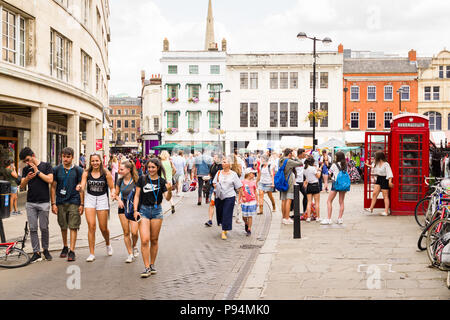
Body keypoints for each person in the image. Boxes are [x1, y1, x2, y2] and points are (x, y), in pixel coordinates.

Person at [133, 158, 172, 278]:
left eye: (153, 167)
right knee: (145, 239)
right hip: (143, 210)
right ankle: (146, 267)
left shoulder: (161, 181)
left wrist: (169, 190)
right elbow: (137, 195)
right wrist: (135, 210)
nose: (150, 169)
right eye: (149, 167)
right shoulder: (142, 179)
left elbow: (168, 198)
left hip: (157, 211)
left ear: (158, 168)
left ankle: (152, 264)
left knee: (154, 240)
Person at [19, 147, 54, 263]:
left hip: (44, 202)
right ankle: (36, 252)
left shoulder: (46, 165)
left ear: (33, 155)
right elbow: (22, 186)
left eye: (28, 160)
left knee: (44, 228)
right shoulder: (25, 170)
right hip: (31, 203)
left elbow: (50, 180)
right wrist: (27, 178)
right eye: (25, 162)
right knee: (33, 228)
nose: (27, 163)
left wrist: (38, 172)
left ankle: (46, 250)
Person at [50, 147, 84, 261]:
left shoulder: (78, 170)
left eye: (68, 157)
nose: (65, 159)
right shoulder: (56, 169)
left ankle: (72, 250)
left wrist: (82, 204)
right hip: (60, 201)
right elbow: (53, 187)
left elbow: (81, 188)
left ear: (72, 157)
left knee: (73, 226)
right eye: (64, 156)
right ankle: (65, 246)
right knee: (63, 226)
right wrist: (53, 203)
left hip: (74, 200)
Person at [80, 154, 115, 262]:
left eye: (97, 161)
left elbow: (112, 187)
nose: (95, 163)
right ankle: (92, 253)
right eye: (93, 161)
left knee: (103, 227)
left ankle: (108, 244)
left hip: (102, 199)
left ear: (100, 161)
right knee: (91, 226)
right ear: (90, 162)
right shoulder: (86, 173)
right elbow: (82, 186)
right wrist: (80, 187)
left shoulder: (106, 173)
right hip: (90, 198)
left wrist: (113, 194)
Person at [114, 160, 140, 263]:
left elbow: (139, 194)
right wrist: (118, 199)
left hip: (134, 207)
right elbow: (116, 194)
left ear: (128, 170)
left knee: (134, 232)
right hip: (123, 207)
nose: (119, 171)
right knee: (126, 232)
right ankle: (130, 254)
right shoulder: (119, 181)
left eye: (121, 169)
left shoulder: (136, 180)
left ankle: (134, 246)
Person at [212, 156, 243, 240]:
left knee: (226, 213)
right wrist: (217, 186)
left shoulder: (233, 174)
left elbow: (238, 186)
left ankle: (224, 230)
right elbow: (214, 183)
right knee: (220, 212)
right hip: (219, 196)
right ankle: (223, 225)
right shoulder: (218, 172)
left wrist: (242, 196)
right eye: (223, 162)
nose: (223, 163)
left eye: (225, 162)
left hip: (230, 196)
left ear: (229, 164)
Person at [322, 151, 349, 225]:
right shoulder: (345, 165)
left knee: (329, 201)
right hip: (343, 184)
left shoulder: (334, 165)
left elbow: (329, 173)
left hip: (335, 183)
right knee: (341, 202)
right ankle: (340, 219)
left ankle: (329, 219)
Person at [364, 151, 393, 216]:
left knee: (385, 196)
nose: (374, 157)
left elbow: (389, 173)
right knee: (374, 193)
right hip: (379, 179)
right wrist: (367, 164)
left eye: (375, 156)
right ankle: (371, 208)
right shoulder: (376, 163)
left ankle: (386, 211)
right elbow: (372, 166)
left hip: (385, 179)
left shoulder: (386, 164)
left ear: (379, 157)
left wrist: (390, 182)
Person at [278, 149, 302, 225]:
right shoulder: (288, 161)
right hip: (289, 182)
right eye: (292, 154)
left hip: (282, 181)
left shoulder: (280, 160)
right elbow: (300, 163)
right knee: (289, 200)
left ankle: (283, 217)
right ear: (289, 154)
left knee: (283, 200)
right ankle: (287, 218)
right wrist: (296, 156)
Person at [239, 168, 259, 236]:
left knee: (250, 215)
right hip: (244, 201)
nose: (254, 175)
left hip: (252, 201)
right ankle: (246, 223)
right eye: (252, 173)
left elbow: (255, 192)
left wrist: (257, 200)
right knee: (244, 216)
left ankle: (249, 229)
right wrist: (239, 199)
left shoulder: (253, 182)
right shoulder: (242, 182)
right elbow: (240, 191)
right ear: (248, 174)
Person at [303, 156, 323, 222]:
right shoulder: (313, 168)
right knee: (317, 202)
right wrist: (319, 171)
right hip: (315, 185)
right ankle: (318, 217)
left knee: (309, 202)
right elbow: (318, 176)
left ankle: (308, 217)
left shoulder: (305, 169)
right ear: (312, 162)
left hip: (309, 186)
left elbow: (307, 178)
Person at [205, 155, 222, 227]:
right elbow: (210, 174)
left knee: (220, 205)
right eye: (214, 157)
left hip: (221, 188)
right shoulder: (212, 165)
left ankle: (221, 220)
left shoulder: (222, 166)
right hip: (213, 187)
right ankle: (210, 220)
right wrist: (208, 177)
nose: (214, 158)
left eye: (216, 157)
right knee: (211, 204)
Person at [295, 149, 308, 217]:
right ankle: (295, 212)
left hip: (301, 181)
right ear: (300, 154)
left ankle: (304, 211)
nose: (305, 155)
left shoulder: (303, 160)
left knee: (306, 195)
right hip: (296, 182)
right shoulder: (295, 160)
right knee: (295, 198)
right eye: (303, 154)